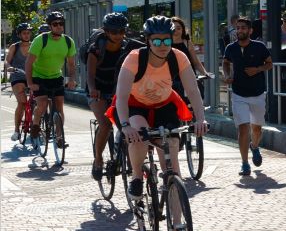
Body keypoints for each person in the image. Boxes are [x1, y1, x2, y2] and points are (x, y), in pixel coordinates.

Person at [109, 16, 208, 200]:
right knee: (138, 133)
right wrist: (125, 125)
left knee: (172, 162)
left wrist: (200, 118)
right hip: (134, 105)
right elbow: (121, 97)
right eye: (156, 40)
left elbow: (193, 91)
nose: (162, 45)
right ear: (148, 41)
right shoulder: (135, 58)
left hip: (164, 105)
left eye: (167, 40)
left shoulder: (178, 57)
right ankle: (137, 177)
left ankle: (177, 225)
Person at [88, 13, 139, 181]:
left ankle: (133, 163)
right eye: (113, 31)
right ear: (106, 31)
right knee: (105, 125)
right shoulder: (96, 49)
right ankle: (98, 159)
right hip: (99, 88)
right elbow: (90, 75)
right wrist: (94, 89)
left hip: (119, 87)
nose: (118, 35)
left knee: (130, 124)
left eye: (121, 31)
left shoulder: (128, 48)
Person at [222, 17, 273, 176]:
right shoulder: (231, 48)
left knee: (256, 128)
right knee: (243, 128)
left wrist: (257, 69)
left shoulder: (259, 47)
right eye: (238, 28)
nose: (240, 31)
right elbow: (225, 62)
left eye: (243, 28)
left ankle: (255, 146)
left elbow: (269, 63)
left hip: (257, 93)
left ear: (250, 31)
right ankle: (244, 164)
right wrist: (227, 74)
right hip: (238, 93)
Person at [25, 12, 77, 147]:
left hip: (56, 77)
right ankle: (35, 126)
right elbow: (29, 63)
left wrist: (71, 79)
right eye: (55, 24)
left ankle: (59, 138)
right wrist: (30, 83)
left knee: (59, 107)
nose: (59, 26)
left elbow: (71, 64)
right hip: (39, 77)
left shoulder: (68, 41)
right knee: (42, 104)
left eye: (61, 23)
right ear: (50, 26)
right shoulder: (41, 40)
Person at [4, 23, 32, 141]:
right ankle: (16, 130)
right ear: (19, 35)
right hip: (18, 76)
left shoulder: (34, 45)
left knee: (40, 100)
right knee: (22, 102)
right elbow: (7, 62)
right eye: (24, 33)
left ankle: (36, 124)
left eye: (28, 33)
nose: (27, 35)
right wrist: (9, 67)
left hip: (32, 76)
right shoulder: (14, 47)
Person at [171, 16, 212, 89]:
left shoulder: (187, 43)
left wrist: (205, 73)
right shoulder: (165, 44)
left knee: (191, 100)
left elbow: (196, 62)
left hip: (188, 79)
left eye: (178, 28)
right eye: (173, 29)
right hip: (171, 82)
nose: (176, 31)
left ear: (183, 30)